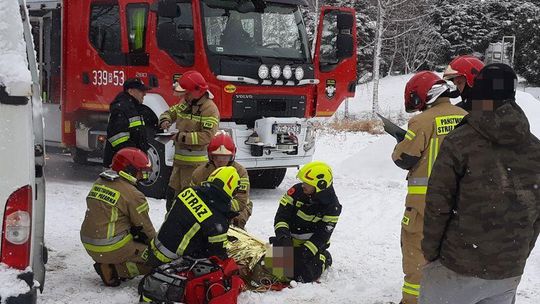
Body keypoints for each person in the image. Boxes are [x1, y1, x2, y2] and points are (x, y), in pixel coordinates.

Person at [420, 64, 540, 304]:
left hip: (456, 265)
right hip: (507, 271)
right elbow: (534, 213)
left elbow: (438, 204)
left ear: (480, 92)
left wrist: (430, 253)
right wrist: (518, 256)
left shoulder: (460, 141)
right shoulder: (535, 148)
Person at [391, 71, 468, 304]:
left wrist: (400, 141)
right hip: (461, 201)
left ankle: (412, 301)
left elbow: (404, 158)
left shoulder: (422, 121)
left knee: (416, 254)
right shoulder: (466, 116)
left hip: (424, 204)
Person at [81, 147, 156, 287]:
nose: (142, 177)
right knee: (156, 262)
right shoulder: (133, 194)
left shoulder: (100, 182)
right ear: (130, 170)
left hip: (89, 242)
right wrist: (158, 247)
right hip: (111, 246)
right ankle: (116, 269)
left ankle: (109, 261)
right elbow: (145, 228)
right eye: (141, 172)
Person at [146, 166, 240, 267]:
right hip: (170, 263)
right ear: (231, 189)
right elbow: (218, 255)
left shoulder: (188, 191)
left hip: (154, 248)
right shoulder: (217, 220)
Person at [159, 70, 220, 211]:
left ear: (198, 91)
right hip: (179, 165)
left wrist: (180, 137)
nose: (184, 96)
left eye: (187, 93)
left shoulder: (210, 110)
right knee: (171, 202)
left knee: (187, 207)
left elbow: (207, 136)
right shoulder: (186, 102)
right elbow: (170, 112)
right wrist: (165, 120)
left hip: (195, 168)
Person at [271, 161, 341, 283]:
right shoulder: (295, 192)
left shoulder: (332, 206)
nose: (303, 185)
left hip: (310, 246)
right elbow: (281, 217)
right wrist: (283, 237)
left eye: (307, 183)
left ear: (320, 185)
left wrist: (305, 252)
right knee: (275, 272)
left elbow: (322, 236)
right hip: (288, 241)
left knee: (303, 277)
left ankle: (324, 258)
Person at [191, 132, 252, 229]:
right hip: (208, 207)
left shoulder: (240, 172)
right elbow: (192, 198)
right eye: (216, 157)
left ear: (232, 156)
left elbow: (240, 201)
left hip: (238, 206)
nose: (221, 161)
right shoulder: (199, 173)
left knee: (236, 221)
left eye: (225, 157)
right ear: (211, 156)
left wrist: (219, 211)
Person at [103, 78, 156, 167]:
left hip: (129, 164)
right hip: (123, 165)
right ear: (130, 91)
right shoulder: (122, 109)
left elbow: (140, 130)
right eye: (141, 91)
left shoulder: (135, 108)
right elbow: (118, 139)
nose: (145, 94)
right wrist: (134, 156)